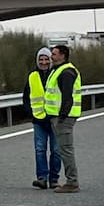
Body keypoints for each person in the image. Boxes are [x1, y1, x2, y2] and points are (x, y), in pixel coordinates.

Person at [24, 48, 61, 189]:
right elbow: (26, 97)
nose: (44, 62)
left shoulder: (56, 74)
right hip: (38, 119)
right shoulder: (32, 76)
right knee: (40, 149)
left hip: (54, 118)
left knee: (56, 150)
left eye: (46, 59)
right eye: (41, 59)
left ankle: (54, 179)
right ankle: (42, 178)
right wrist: (31, 113)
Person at [47, 45, 82, 193]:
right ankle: (71, 180)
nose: (51, 57)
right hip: (58, 116)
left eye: (54, 54)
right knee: (63, 149)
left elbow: (67, 97)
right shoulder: (58, 70)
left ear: (63, 55)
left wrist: (62, 116)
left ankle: (72, 182)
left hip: (64, 117)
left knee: (66, 150)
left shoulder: (66, 72)